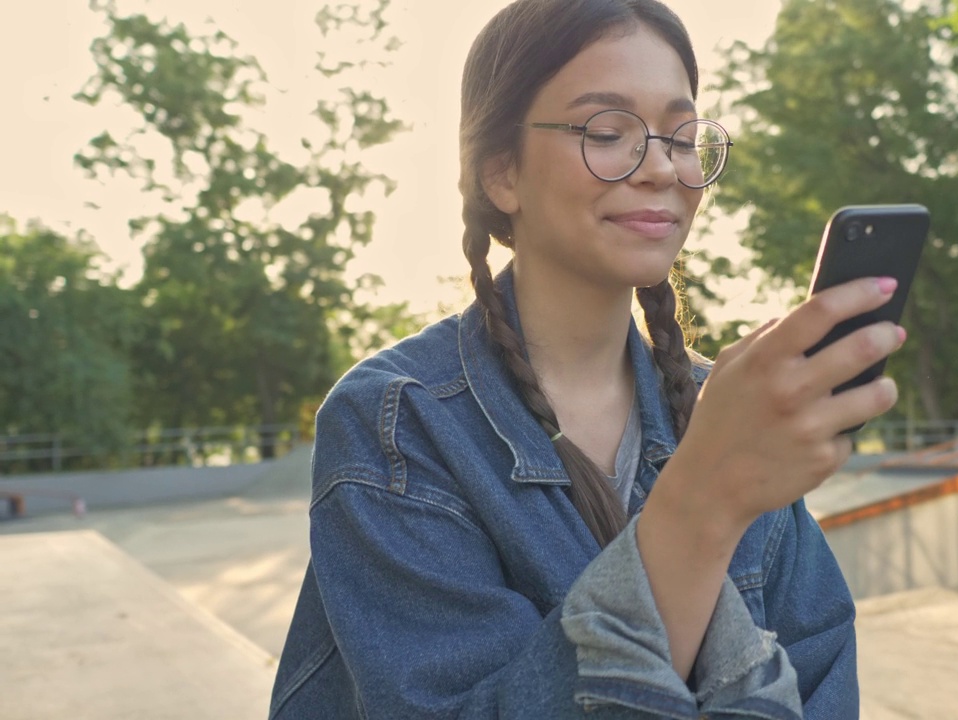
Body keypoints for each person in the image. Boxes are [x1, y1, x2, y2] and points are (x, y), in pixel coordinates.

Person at [268, 0, 904, 717]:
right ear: (501, 174)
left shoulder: (721, 404)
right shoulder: (398, 419)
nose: (662, 166)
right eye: (608, 131)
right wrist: (705, 500)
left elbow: (821, 671)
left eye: (682, 134)